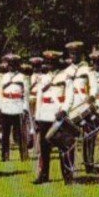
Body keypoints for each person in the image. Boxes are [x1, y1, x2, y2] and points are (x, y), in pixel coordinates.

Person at [33, 50, 74, 184]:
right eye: (48, 62)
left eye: (53, 62)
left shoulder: (65, 77)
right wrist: (37, 117)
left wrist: (64, 110)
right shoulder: (43, 78)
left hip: (59, 114)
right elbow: (39, 98)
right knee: (44, 147)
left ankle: (67, 175)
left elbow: (70, 95)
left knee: (65, 146)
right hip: (45, 114)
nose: (50, 65)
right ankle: (44, 175)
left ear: (58, 62)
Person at [63, 41, 98, 173]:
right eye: (71, 54)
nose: (74, 56)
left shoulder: (87, 70)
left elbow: (94, 86)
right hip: (71, 108)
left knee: (90, 136)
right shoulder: (66, 71)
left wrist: (92, 96)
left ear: (81, 54)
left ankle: (89, 164)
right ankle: (70, 167)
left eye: (76, 53)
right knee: (69, 138)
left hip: (85, 107)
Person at [0, 54, 30, 161]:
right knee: (5, 134)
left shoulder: (22, 77)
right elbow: (0, 93)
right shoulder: (3, 77)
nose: (11, 66)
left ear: (17, 65)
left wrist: (25, 108)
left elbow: (26, 94)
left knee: (21, 134)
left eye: (13, 64)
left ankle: (23, 155)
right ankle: (4, 155)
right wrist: (0, 106)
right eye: (9, 64)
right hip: (6, 106)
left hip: (18, 106)